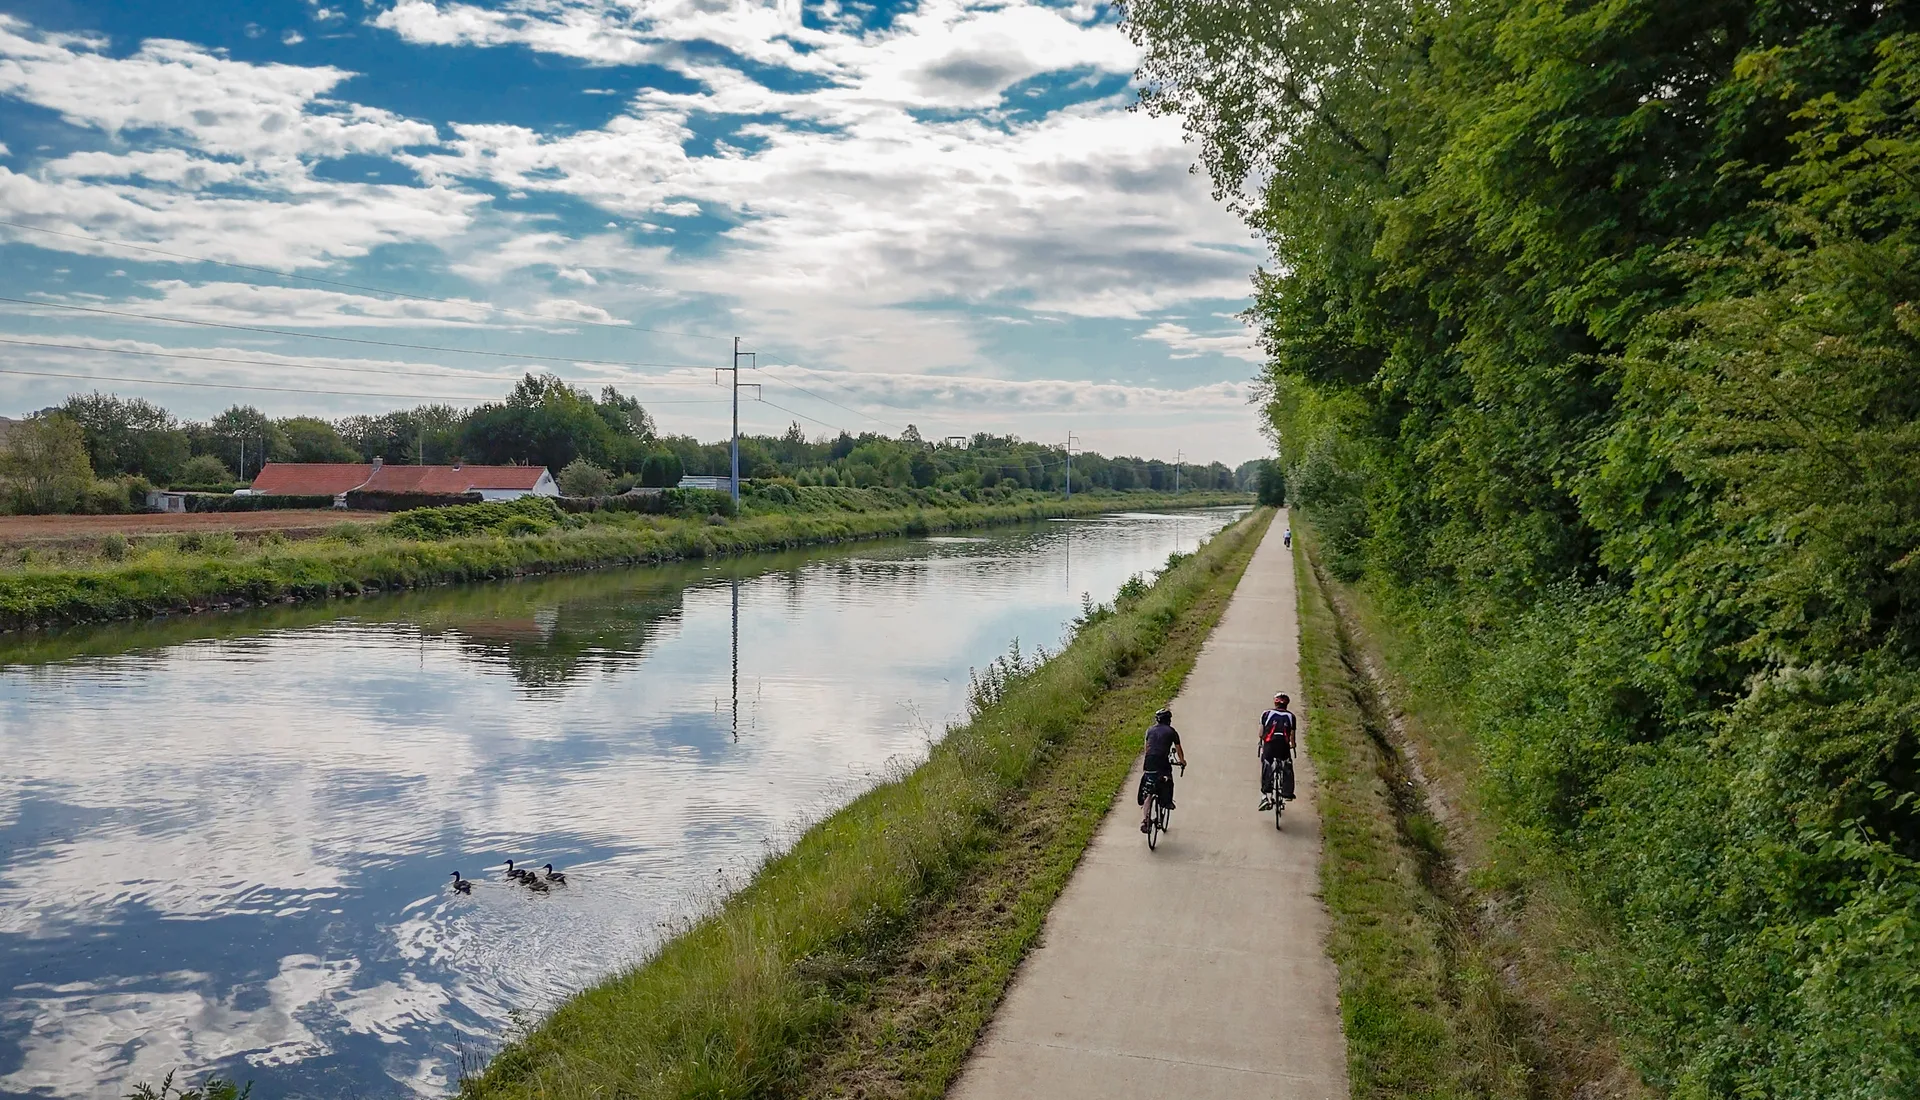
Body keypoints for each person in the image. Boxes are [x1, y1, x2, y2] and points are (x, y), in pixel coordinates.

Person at [1140, 706, 1186, 832]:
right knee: (1168, 779)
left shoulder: (1149, 730)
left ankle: (1145, 820)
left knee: (1148, 790)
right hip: (1162, 762)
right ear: (1168, 720)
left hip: (1149, 762)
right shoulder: (1172, 732)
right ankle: (1167, 802)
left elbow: (1147, 748)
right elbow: (1178, 749)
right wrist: (1182, 762)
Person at [1258, 692, 1297, 810]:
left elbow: (1260, 733)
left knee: (1266, 764)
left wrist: (1261, 742)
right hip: (1283, 746)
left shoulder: (1266, 713)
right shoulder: (1291, 716)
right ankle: (1287, 792)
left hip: (1269, 745)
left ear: (1275, 702)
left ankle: (1265, 795)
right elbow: (1292, 737)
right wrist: (1293, 746)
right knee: (1287, 764)